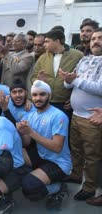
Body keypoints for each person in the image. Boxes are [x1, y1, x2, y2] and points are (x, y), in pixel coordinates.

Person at [59, 28, 102, 201]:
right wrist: (68, 80)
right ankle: (76, 174)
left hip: (92, 119)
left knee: (92, 155)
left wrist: (75, 80)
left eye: (99, 38)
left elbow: (100, 88)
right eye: (93, 39)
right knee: (76, 149)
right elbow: (69, 84)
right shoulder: (85, 59)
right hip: (76, 115)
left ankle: (90, 187)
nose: (95, 41)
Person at [17, 80, 71, 210]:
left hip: (58, 163)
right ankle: (39, 175)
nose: (38, 98)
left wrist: (31, 132)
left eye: (42, 94)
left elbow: (57, 147)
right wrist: (21, 132)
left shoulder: (59, 116)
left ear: (49, 96)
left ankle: (58, 188)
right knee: (13, 155)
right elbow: (26, 143)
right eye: (35, 95)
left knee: (29, 186)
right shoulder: (31, 115)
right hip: (41, 156)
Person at [31, 29, 83, 120]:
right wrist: (38, 81)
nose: (44, 45)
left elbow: (82, 79)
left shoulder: (77, 56)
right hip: (46, 102)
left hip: (65, 104)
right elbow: (33, 76)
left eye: (47, 41)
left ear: (57, 41)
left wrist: (74, 99)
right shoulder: (43, 57)